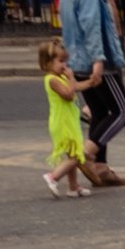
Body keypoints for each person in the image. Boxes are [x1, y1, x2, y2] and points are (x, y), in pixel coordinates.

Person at [59, 0, 125, 186]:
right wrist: (99, 61)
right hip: (97, 62)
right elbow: (91, 29)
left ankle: (100, 167)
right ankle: (87, 153)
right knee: (122, 111)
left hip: (77, 63)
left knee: (100, 112)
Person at [38, 41, 91, 198]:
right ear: (48, 63)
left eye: (65, 61)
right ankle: (53, 176)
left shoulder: (60, 77)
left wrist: (91, 82)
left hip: (69, 122)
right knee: (76, 156)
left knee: (72, 155)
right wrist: (71, 78)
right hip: (62, 123)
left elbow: (75, 87)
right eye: (60, 61)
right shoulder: (51, 79)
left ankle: (73, 187)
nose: (64, 65)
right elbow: (68, 95)